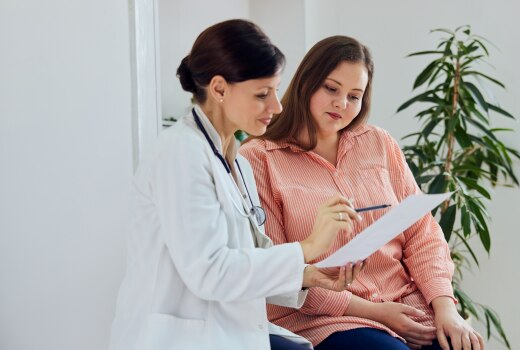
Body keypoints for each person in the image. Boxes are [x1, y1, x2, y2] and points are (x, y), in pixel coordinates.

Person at [108, 20, 365, 350]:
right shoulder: (180, 153)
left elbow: (252, 257)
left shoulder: (238, 162)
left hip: (230, 332)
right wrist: (309, 247)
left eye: (275, 90)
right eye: (262, 94)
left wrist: (307, 274)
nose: (277, 106)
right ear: (219, 89)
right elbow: (211, 272)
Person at [240, 35, 485, 350]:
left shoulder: (379, 143)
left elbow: (422, 233)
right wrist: (377, 313)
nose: (342, 104)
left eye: (354, 95)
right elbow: (277, 266)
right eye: (331, 88)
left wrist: (446, 308)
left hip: (404, 302)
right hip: (326, 317)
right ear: (306, 83)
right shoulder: (259, 158)